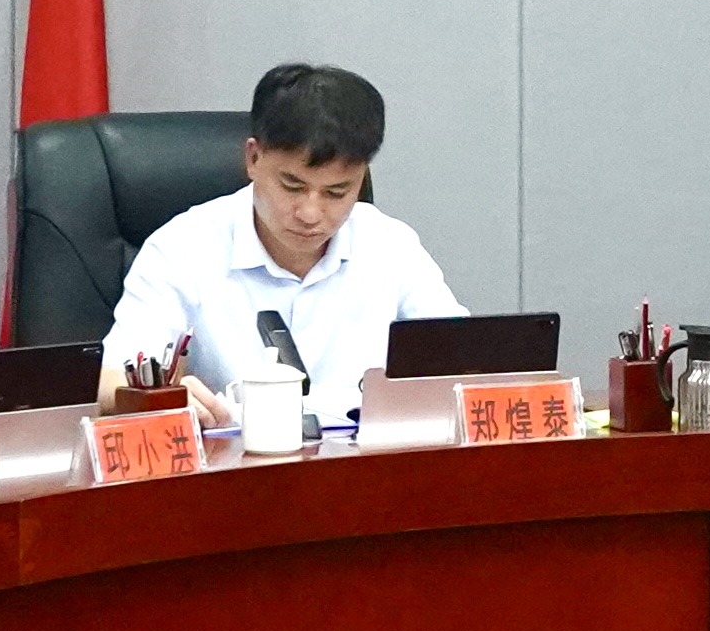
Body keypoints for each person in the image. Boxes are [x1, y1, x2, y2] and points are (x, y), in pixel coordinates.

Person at [105, 63, 468, 439]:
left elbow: (463, 366)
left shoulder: (390, 244)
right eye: (293, 186)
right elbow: (108, 381)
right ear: (253, 158)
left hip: (364, 462)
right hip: (236, 462)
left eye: (337, 192)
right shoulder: (182, 248)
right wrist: (164, 397)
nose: (311, 214)